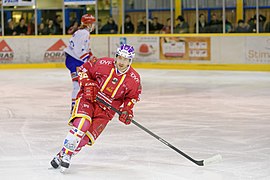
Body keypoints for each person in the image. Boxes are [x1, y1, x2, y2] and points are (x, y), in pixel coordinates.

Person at [50, 44, 142, 172]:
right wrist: (87, 82)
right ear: (116, 57)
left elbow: (132, 97)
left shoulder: (134, 79)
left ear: (130, 61)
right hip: (90, 99)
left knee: (86, 138)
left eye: (126, 59)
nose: (122, 62)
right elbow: (83, 70)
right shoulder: (103, 63)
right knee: (82, 124)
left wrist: (127, 110)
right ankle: (67, 155)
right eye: (120, 58)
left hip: (107, 111)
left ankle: (63, 155)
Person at [64, 14, 96, 113]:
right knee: (77, 85)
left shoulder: (81, 32)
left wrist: (91, 57)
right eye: (93, 23)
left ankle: (77, 105)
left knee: (80, 83)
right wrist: (87, 59)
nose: (94, 25)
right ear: (89, 24)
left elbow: (85, 49)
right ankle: (74, 108)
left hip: (73, 60)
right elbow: (78, 50)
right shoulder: (84, 33)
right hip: (74, 61)